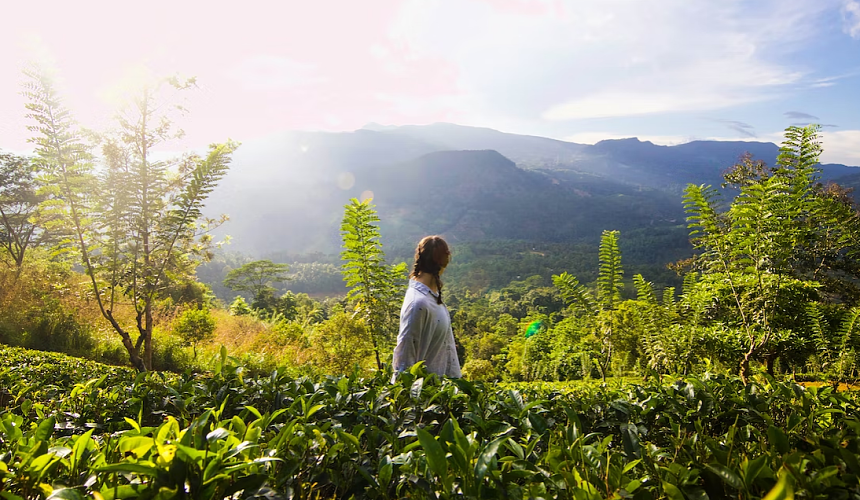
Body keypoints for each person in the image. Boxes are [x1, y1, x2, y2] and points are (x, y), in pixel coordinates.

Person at [392, 235, 461, 378]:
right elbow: (404, 360)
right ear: (444, 261)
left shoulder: (431, 298)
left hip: (440, 388)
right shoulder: (418, 304)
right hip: (425, 390)